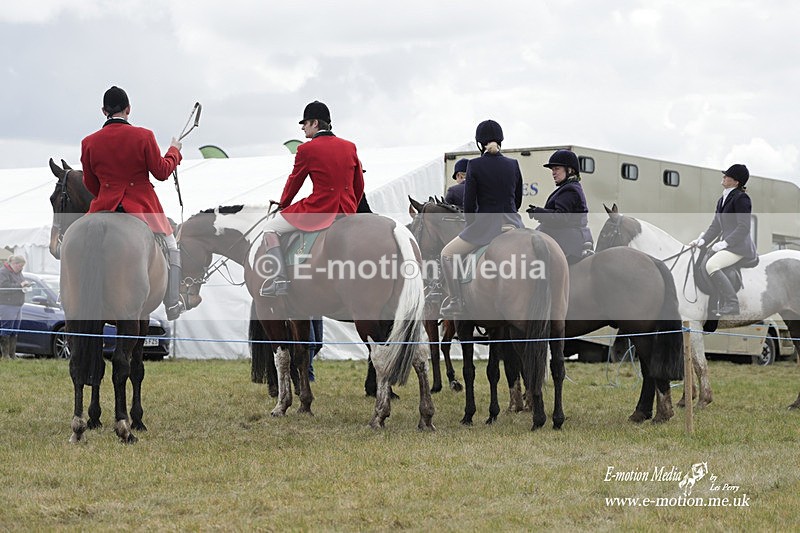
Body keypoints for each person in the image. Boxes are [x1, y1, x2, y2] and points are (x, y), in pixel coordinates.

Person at [80, 86, 185, 320]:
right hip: (141, 207)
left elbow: (90, 183)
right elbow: (161, 171)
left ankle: (67, 293)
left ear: (103, 111)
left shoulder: (88, 142)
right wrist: (174, 152)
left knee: (74, 242)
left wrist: (107, 196)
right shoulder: (144, 136)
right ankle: (172, 301)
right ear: (128, 109)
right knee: (170, 245)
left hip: (104, 205)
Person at [259, 100, 364, 297]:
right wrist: (351, 208)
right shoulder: (350, 147)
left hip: (320, 208)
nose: (302, 128)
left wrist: (283, 204)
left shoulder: (306, 149)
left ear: (315, 123)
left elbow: (294, 181)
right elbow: (359, 184)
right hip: (347, 209)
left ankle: (279, 279)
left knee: (270, 228)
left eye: (305, 123)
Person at [439, 120, 524, 316]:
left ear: (480, 143)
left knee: (447, 255)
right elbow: (517, 200)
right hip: (514, 224)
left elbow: (469, 205)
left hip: (486, 227)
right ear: (500, 140)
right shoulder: (513, 164)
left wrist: (471, 226)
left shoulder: (474, 165)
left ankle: (456, 301)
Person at [689, 164, 756, 316]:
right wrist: (702, 241)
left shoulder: (741, 198)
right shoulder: (722, 199)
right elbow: (715, 226)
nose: (724, 177)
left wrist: (725, 243)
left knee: (711, 265)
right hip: (728, 246)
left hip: (738, 247)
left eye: (727, 176)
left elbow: (743, 227)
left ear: (736, 182)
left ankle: (732, 302)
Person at [526, 149, 593, 265]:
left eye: (557, 169)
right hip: (567, 236)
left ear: (570, 170)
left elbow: (561, 217)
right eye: (552, 169)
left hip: (567, 241)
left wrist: (539, 212)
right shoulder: (569, 187)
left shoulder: (570, 190)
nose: (553, 172)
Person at [0, 255, 31, 359]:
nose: (21, 268)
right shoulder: (3, 272)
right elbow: (3, 287)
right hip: (7, 305)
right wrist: (20, 285)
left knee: (15, 330)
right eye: (20, 266)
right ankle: (5, 355)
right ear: (14, 263)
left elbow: (19, 283)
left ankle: (12, 354)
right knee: (6, 329)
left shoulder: (18, 273)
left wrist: (26, 285)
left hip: (18, 305)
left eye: (22, 266)